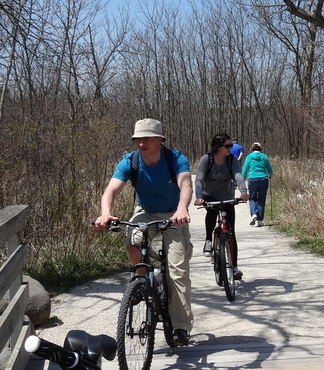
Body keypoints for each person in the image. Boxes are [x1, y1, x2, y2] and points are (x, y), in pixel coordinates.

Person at [95, 119, 195, 346]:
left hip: (173, 214)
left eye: (147, 139)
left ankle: (181, 327)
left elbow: (186, 185)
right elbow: (111, 190)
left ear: (160, 139)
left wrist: (182, 209)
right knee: (133, 240)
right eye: (138, 139)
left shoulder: (175, 159)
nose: (141, 144)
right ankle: (143, 281)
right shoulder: (130, 162)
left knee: (177, 272)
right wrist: (105, 213)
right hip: (145, 212)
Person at [194, 133, 249, 280]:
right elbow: (199, 179)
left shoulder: (232, 160)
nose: (230, 148)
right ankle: (208, 240)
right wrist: (199, 197)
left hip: (227, 197)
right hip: (209, 196)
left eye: (231, 145)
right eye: (227, 146)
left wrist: (243, 191)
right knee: (212, 212)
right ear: (218, 147)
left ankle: (234, 267)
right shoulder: (207, 159)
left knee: (231, 231)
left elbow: (238, 176)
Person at [242, 142, 273, 227]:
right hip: (263, 179)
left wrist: (242, 180)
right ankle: (260, 220)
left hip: (252, 179)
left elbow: (245, 169)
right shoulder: (264, 156)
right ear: (260, 148)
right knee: (261, 200)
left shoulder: (249, 157)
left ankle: (254, 214)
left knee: (252, 198)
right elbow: (269, 169)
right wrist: (270, 175)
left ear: (252, 148)